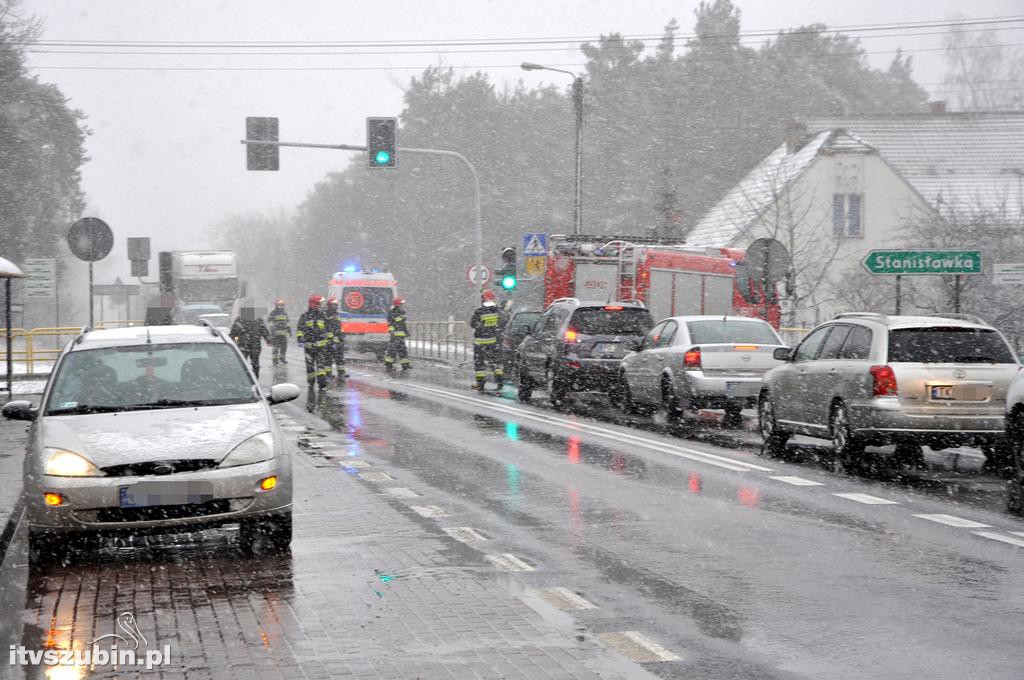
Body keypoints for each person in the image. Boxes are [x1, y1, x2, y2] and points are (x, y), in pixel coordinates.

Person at [470, 290, 508, 390]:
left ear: (483, 299)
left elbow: (473, 324)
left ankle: (480, 383)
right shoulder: (498, 312)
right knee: (495, 362)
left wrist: (482, 326)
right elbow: (503, 323)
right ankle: (500, 381)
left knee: (480, 363)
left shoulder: (479, 312)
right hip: (493, 342)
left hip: (480, 342)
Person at [230, 298, 270, 378]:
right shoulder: (254, 319)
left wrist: (268, 339)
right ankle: (250, 379)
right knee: (249, 364)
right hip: (250, 345)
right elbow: (264, 331)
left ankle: (250, 379)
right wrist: (268, 339)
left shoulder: (254, 319)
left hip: (248, 346)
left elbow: (264, 330)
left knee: (249, 364)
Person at [296, 294, 329, 390]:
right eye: (320, 304)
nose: (323, 306)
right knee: (310, 367)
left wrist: (329, 341)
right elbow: (300, 329)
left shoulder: (323, 316)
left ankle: (322, 383)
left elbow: (328, 329)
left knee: (321, 366)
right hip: (309, 347)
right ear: (314, 304)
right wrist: (300, 338)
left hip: (321, 348)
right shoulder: (305, 316)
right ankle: (311, 383)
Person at [384, 297, 411, 372]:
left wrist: (406, 332)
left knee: (402, 350)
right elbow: (396, 321)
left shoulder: (399, 311)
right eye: (401, 304)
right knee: (393, 350)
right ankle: (388, 364)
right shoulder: (393, 312)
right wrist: (402, 317)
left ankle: (405, 365)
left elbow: (402, 324)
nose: (402, 305)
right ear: (397, 304)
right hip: (395, 335)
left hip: (400, 334)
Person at [323, 297, 346, 380]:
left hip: (338, 340)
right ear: (329, 305)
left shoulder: (337, 314)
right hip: (329, 341)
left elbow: (339, 326)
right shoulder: (326, 314)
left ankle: (341, 373)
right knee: (328, 358)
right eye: (333, 305)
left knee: (340, 357)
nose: (335, 306)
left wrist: (342, 334)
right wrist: (331, 339)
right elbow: (326, 328)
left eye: (336, 305)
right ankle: (327, 374)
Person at [267, 299, 291, 365]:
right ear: (276, 305)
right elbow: (270, 322)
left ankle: (282, 359)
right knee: (275, 348)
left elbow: (287, 322)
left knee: (284, 347)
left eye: (282, 305)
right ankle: (275, 360)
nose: (281, 306)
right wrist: (273, 329)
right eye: (279, 305)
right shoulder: (273, 313)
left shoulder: (284, 313)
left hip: (283, 334)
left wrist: (289, 330)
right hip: (276, 334)